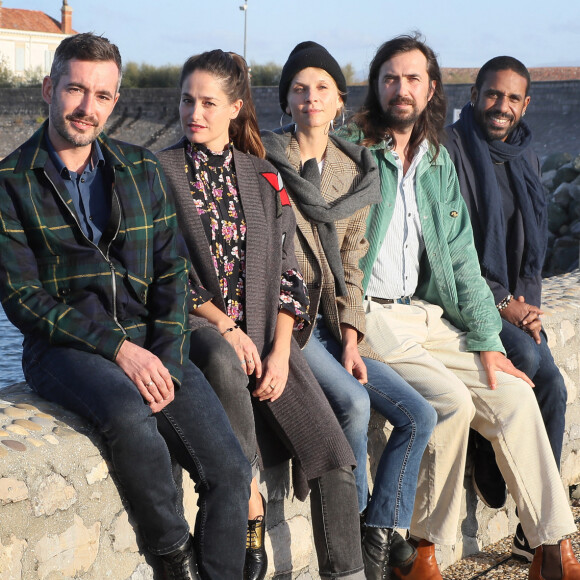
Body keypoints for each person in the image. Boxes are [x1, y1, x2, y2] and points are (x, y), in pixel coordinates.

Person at [0, 33, 253, 580]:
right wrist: (119, 349)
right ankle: (174, 561)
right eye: (75, 89)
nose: (87, 108)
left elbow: (172, 270)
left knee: (231, 471)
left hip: (152, 337)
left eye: (103, 96)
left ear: (116, 101)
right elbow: (24, 299)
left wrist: (163, 350)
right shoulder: (8, 182)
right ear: (49, 88)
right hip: (66, 347)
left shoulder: (140, 169)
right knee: (130, 415)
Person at [339, 34, 580, 580]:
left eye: (413, 79)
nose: (401, 90)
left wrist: (488, 342)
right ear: (377, 86)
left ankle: (551, 547)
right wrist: (346, 321)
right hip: (371, 313)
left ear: (431, 90)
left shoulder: (436, 161)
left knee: (516, 393)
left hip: (427, 313)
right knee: (451, 403)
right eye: (391, 78)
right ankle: (423, 551)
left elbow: (463, 261)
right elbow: (332, 244)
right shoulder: (354, 148)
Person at [157, 49, 364, 580]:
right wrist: (226, 326)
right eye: (186, 100)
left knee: (334, 454)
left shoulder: (266, 177)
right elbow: (164, 271)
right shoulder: (157, 173)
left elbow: (290, 276)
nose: (194, 113)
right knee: (226, 363)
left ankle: (348, 573)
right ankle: (250, 516)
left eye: (208, 102)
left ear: (235, 107)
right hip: (200, 328)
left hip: (268, 333)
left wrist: (279, 350)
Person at [260, 41, 437, 578]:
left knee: (419, 414)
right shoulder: (266, 161)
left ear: (340, 101)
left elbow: (354, 263)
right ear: (285, 100)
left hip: (337, 326)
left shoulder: (358, 171)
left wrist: (354, 339)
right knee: (356, 406)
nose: (309, 98)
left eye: (321, 88)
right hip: (289, 321)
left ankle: (379, 529)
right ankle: (357, 533)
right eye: (298, 88)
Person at [445, 55, 568, 562]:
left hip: (514, 299)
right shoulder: (451, 150)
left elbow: (530, 247)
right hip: (463, 294)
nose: (502, 106)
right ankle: (486, 448)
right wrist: (501, 302)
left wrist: (528, 307)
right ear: (474, 94)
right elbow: (451, 249)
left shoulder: (526, 154)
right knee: (530, 363)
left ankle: (531, 531)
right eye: (493, 94)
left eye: (513, 98)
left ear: (526, 104)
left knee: (555, 387)